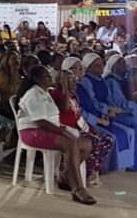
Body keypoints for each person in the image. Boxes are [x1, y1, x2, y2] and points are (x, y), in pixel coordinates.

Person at [14, 66, 96, 204]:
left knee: (86, 144)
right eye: (46, 76)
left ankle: (65, 177)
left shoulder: (45, 92)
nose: (50, 78)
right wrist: (64, 132)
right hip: (32, 131)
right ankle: (77, 189)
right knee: (70, 144)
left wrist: (64, 131)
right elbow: (41, 122)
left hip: (50, 128)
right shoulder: (33, 94)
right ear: (36, 79)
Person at [76, 53, 137, 172]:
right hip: (97, 114)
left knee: (130, 132)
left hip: (108, 113)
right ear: (88, 68)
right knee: (126, 130)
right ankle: (108, 167)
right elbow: (92, 101)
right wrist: (107, 109)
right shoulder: (87, 81)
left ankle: (129, 163)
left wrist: (112, 108)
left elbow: (109, 98)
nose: (100, 67)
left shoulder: (102, 80)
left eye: (101, 64)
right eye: (96, 65)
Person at [50, 60, 114, 185]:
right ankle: (70, 173)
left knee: (107, 140)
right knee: (94, 141)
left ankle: (86, 172)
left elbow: (77, 115)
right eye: (72, 80)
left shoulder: (74, 93)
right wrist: (65, 91)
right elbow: (64, 108)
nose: (76, 82)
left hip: (77, 127)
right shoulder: (57, 94)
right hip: (64, 129)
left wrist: (90, 127)